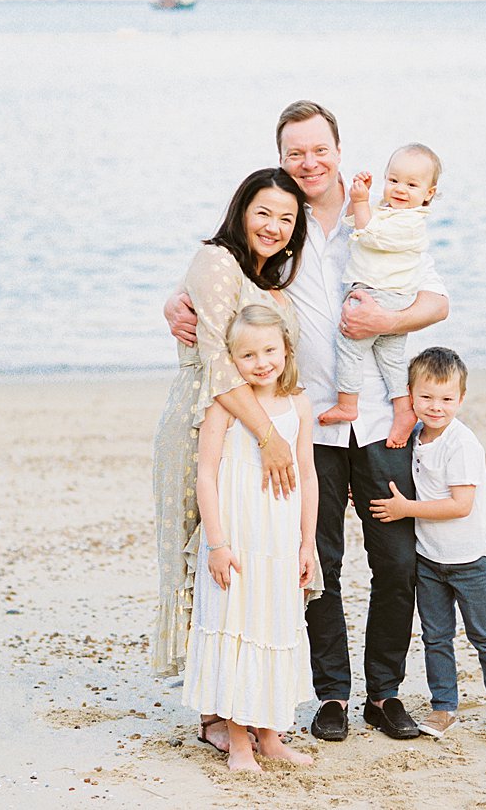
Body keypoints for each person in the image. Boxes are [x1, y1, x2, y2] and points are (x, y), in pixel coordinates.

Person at [166, 102, 449, 741]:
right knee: (317, 564)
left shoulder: (379, 217)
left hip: (377, 419)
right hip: (305, 424)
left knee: (396, 561)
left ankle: (384, 694)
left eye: (319, 149)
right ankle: (331, 696)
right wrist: (171, 303)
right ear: (282, 158)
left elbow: (437, 301)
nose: (309, 162)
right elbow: (221, 282)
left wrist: (387, 321)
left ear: (339, 150)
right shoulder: (279, 227)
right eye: (295, 152)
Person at [152, 168, 307, 694]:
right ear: (241, 211)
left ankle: (239, 695)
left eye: (286, 218)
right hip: (203, 423)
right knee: (204, 556)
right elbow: (219, 362)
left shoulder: (267, 281)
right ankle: (212, 710)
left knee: (245, 563)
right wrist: (270, 436)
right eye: (263, 212)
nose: (273, 227)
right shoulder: (216, 260)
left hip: (251, 432)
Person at [370, 347, 486, 740]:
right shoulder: (414, 437)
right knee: (436, 637)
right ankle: (444, 707)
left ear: (461, 399)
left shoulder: (462, 443)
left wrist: (405, 509)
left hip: (470, 559)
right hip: (429, 559)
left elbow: (461, 505)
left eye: (446, 399)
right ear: (410, 395)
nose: (436, 407)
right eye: (426, 397)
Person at [182, 305, 318, 772]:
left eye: (269, 351)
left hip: (279, 541)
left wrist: (307, 543)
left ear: (286, 350)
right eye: (248, 355)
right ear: (231, 360)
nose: (261, 362)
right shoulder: (223, 405)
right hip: (236, 540)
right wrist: (217, 544)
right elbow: (205, 475)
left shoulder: (299, 404)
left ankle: (271, 737)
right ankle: (239, 743)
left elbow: (308, 476)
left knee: (273, 625)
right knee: (237, 628)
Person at [318, 143, 441, 449]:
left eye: (411, 185)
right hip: (395, 297)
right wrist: (357, 201)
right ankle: (403, 407)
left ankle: (347, 403)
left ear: (428, 193)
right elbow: (353, 223)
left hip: (381, 295)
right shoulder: (387, 212)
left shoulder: (410, 222)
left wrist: (361, 202)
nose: (400, 189)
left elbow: (370, 236)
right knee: (391, 357)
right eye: (393, 180)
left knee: (348, 344)